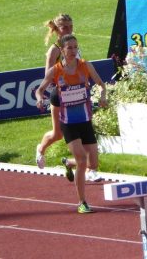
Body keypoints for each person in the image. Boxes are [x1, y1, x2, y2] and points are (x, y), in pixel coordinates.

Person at [35, 34, 108, 214]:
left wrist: (103, 95)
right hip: (69, 123)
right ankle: (82, 202)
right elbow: (40, 89)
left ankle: (68, 163)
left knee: (92, 163)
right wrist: (39, 99)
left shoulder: (85, 66)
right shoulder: (56, 70)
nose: (73, 51)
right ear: (62, 50)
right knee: (82, 160)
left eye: (75, 47)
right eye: (69, 48)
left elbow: (101, 84)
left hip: (85, 120)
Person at [36, 14, 102, 183]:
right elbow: (48, 75)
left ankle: (76, 164)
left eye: (71, 26)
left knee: (83, 135)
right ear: (57, 30)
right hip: (60, 96)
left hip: (78, 96)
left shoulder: (72, 44)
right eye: (65, 27)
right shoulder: (54, 50)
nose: (69, 29)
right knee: (58, 134)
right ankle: (41, 149)